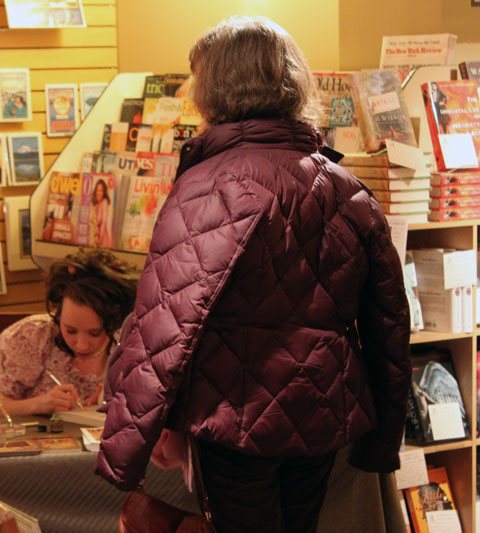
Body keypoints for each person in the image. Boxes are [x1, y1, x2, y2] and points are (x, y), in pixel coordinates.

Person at [95, 17, 411, 533]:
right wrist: (383, 439)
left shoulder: (205, 187)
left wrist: (137, 435)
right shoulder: (346, 189)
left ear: (214, 87)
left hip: (231, 415)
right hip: (323, 414)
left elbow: (163, 325)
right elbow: (390, 327)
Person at [0, 248, 138, 416]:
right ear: (57, 312)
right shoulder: (31, 338)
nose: (82, 345)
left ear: (114, 321)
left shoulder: (129, 342)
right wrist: (41, 403)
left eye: (95, 333)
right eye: (70, 330)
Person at [90, 179, 112, 248]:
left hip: (102, 241)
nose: (99, 193)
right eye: (97, 190)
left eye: (101, 191)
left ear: (104, 192)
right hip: (94, 240)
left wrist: (100, 240)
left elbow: (103, 222)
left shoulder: (104, 202)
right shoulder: (94, 205)